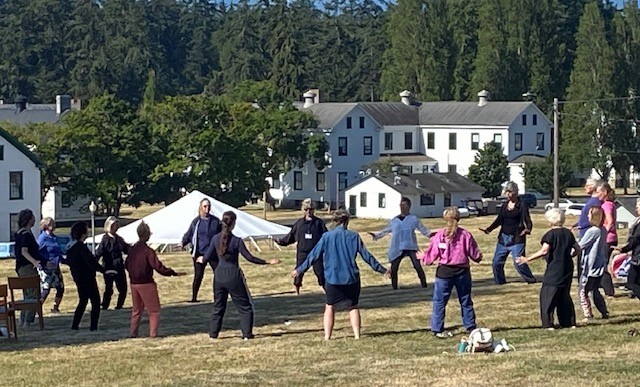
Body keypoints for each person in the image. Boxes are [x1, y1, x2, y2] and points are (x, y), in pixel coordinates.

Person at [293, 209, 391, 340]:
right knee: (353, 306)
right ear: (347, 221)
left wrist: (300, 270)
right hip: (351, 278)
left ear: (334, 221)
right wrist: (382, 270)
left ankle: (327, 336)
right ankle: (357, 335)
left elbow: (313, 255)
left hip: (332, 278)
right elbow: (367, 256)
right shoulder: (354, 236)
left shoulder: (327, 237)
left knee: (330, 307)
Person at [206, 211, 279, 340]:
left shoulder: (215, 239)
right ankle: (246, 334)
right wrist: (267, 261)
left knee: (218, 306)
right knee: (245, 307)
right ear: (234, 223)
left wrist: (200, 259)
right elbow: (250, 258)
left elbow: (206, 256)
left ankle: (213, 334)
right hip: (233, 275)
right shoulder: (237, 241)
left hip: (218, 276)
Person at [418, 207, 482, 338]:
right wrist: (479, 256)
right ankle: (470, 327)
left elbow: (431, 256)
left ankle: (437, 329)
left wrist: (423, 258)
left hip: (444, 272)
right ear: (458, 218)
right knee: (465, 300)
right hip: (462, 272)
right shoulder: (466, 235)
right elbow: (475, 255)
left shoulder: (440, 235)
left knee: (440, 302)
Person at [516, 208, 581, 329]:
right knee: (564, 295)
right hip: (567, 267)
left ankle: (548, 323)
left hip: (554, 268)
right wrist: (570, 256)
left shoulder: (550, 235)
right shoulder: (568, 233)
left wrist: (527, 259)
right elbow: (577, 249)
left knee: (548, 295)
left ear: (551, 221)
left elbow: (544, 250)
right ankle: (569, 322)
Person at [125, 221, 185, 338]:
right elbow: (158, 267)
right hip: (146, 283)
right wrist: (172, 272)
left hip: (134, 283)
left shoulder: (132, 250)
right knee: (154, 311)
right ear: (146, 234)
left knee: (136, 310)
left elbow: (127, 264)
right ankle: (153, 334)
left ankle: (133, 333)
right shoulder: (148, 251)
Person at [480, 181, 536, 284]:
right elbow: (499, 220)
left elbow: (528, 221)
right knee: (496, 263)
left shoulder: (521, 205)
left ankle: (530, 279)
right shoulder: (504, 206)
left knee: (518, 262)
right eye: (507, 192)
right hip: (503, 238)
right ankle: (500, 282)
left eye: (510, 192)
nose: (508, 194)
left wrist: (527, 229)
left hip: (517, 239)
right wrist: (489, 229)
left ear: (515, 192)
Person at [369, 197, 429, 290]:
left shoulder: (413, 219)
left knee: (417, 266)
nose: (402, 207)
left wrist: (432, 235)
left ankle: (424, 285)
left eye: (404, 205)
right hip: (397, 247)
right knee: (394, 267)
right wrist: (376, 235)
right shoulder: (394, 220)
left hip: (410, 246)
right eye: (401, 205)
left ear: (409, 206)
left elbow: (424, 230)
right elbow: (386, 230)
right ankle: (394, 287)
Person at [275, 198, 327, 294]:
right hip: (302, 252)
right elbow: (291, 236)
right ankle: (297, 290)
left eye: (311, 209)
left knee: (320, 272)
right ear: (303, 210)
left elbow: (326, 237)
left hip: (316, 252)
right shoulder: (299, 223)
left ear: (314, 210)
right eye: (306, 209)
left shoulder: (319, 223)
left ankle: (326, 290)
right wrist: (281, 242)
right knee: (299, 272)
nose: (308, 211)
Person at [179, 198, 221, 302]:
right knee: (198, 276)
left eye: (208, 206)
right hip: (199, 253)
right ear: (201, 207)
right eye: (205, 206)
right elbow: (189, 234)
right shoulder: (196, 222)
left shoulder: (216, 221)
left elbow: (222, 235)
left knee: (219, 274)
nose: (207, 209)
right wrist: (183, 243)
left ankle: (218, 296)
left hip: (212, 253)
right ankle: (194, 298)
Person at [66, 222, 104, 331]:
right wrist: (103, 270)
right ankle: (93, 327)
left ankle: (75, 325)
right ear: (83, 233)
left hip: (78, 277)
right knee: (95, 301)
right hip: (87, 277)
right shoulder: (81, 247)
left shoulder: (71, 247)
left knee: (83, 300)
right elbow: (91, 262)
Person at [577, 207, 609, 321]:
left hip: (591, 266)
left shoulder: (593, 231)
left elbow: (581, 245)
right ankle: (604, 311)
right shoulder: (603, 229)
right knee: (595, 290)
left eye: (590, 215)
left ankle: (588, 314)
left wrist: (570, 250)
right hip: (600, 264)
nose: (588, 217)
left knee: (583, 291)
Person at [14, 209, 44, 327]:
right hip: (27, 267)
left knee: (27, 294)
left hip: (20, 267)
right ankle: (27, 321)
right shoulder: (26, 235)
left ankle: (22, 320)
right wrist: (35, 262)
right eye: (33, 217)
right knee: (33, 294)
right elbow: (24, 251)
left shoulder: (19, 233)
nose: (35, 219)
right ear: (28, 219)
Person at [96, 216, 130, 310]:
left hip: (119, 267)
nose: (116, 227)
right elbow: (99, 253)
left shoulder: (119, 239)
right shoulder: (105, 239)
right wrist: (96, 266)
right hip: (109, 268)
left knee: (123, 288)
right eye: (114, 225)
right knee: (109, 289)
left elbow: (127, 249)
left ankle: (119, 306)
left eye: (116, 225)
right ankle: (105, 306)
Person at [612, 198, 640, 300]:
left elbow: (635, 240)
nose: (636, 209)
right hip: (636, 255)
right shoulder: (637, 221)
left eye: (638, 207)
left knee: (631, 283)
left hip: (638, 258)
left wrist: (622, 249)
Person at [36, 217, 65, 313]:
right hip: (46, 268)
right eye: (50, 224)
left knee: (60, 287)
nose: (53, 225)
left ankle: (55, 307)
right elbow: (36, 252)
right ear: (45, 226)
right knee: (46, 289)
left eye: (53, 223)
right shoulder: (42, 238)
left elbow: (58, 251)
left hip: (55, 267)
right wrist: (43, 262)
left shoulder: (54, 238)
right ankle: (37, 309)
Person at [599, 183, 617, 296]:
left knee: (602, 263)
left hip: (608, 239)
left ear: (605, 192)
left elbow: (610, 221)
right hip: (611, 238)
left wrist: (602, 234)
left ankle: (609, 290)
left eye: (599, 191)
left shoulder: (606, 205)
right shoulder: (610, 204)